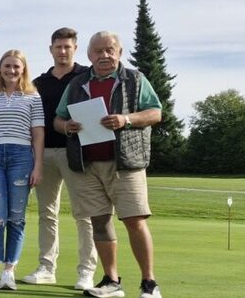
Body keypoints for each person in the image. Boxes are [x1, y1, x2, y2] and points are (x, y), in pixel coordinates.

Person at [55, 31, 164, 298]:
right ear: (89, 55)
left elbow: (155, 112)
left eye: (110, 50)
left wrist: (126, 119)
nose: (104, 55)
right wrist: (67, 126)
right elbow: (58, 119)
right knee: (100, 222)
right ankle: (111, 281)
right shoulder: (78, 83)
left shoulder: (135, 79)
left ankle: (149, 283)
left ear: (119, 52)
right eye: (98, 51)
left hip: (125, 163)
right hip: (87, 163)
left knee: (134, 220)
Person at [22, 28, 97, 290]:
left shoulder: (87, 76)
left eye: (67, 47)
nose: (62, 51)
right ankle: (46, 267)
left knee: (84, 214)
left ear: (75, 48)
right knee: (47, 213)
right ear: (51, 49)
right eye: (58, 47)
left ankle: (86, 271)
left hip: (77, 153)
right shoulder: (39, 83)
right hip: (45, 154)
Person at [0, 49, 45, 290]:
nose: (11, 70)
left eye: (16, 66)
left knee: (16, 218)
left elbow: (38, 135)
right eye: (7, 66)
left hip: (21, 158)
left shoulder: (33, 97)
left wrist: (38, 165)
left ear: (23, 69)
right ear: (0, 69)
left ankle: (9, 271)